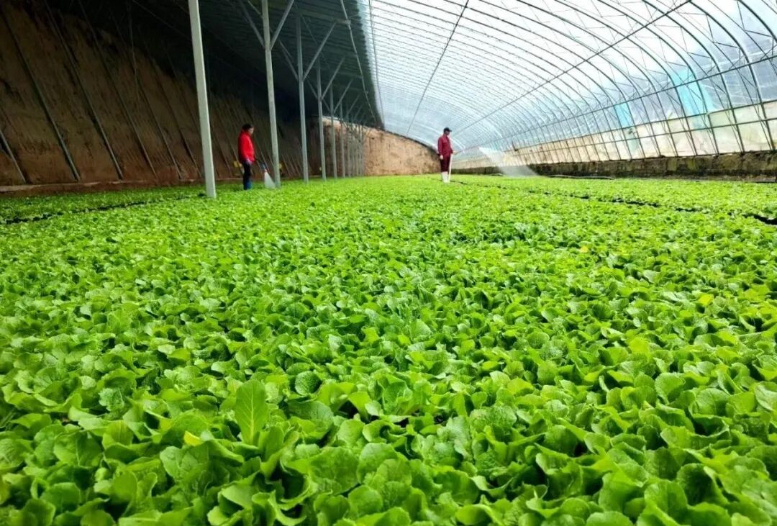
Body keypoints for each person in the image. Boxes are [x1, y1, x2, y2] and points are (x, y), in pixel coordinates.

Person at [238, 124, 255, 190]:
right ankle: (247, 186)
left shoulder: (246, 137)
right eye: (250, 130)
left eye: (252, 130)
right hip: (246, 158)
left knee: (248, 172)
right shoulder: (243, 137)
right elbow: (242, 149)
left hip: (248, 158)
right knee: (247, 172)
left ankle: (248, 185)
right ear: (246, 130)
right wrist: (246, 158)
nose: (252, 132)